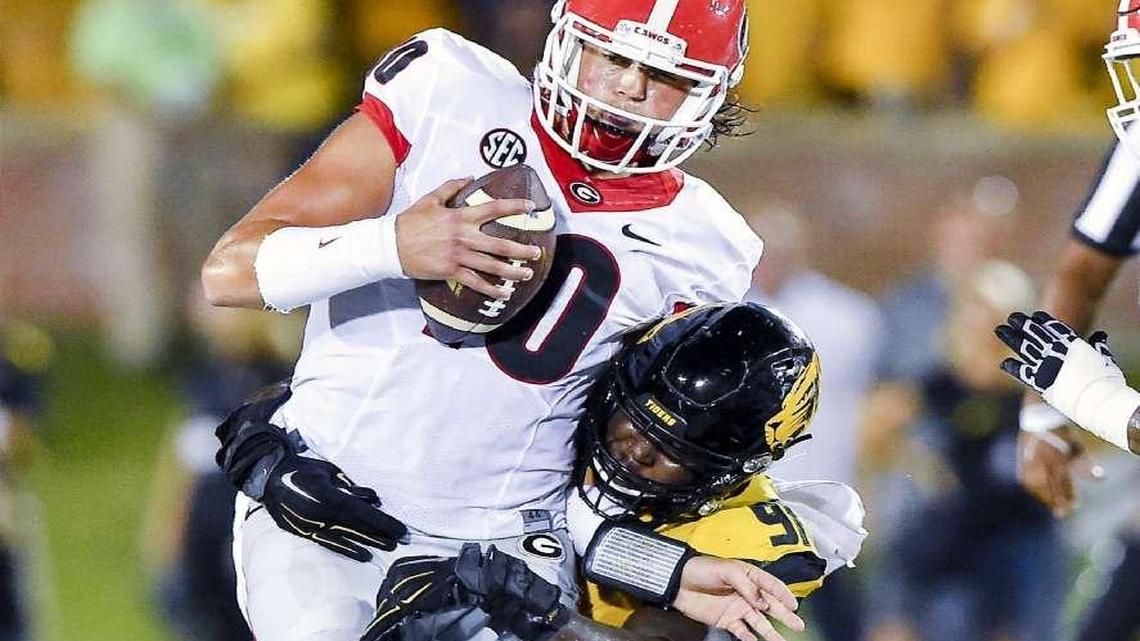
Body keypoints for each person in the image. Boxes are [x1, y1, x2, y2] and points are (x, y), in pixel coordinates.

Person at [201, 2, 789, 639]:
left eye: (665, 76)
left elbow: (602, 474)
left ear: (710, 95)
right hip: (324, 503)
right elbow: (229, 273)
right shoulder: (450, 93)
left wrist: (662, 570)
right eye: (612, 55)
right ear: (567, 40)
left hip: (508, 551)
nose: (628, 88)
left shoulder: (708, 249)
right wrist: (394, 245)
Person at [360, 302, 866, 641]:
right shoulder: (554, 418)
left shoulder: (751, 539)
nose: (638, 452)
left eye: (673, 450)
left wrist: (550, 621)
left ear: (731, 471)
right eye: (635, 421)